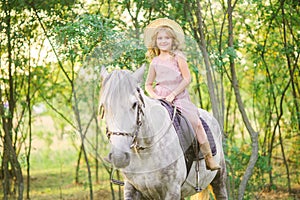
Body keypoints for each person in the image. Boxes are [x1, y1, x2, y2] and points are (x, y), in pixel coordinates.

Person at [144, 18, 221, 171]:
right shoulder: (154, 62)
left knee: (196, 123)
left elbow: (187, 78)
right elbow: (148, 84)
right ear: (155, 41)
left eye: (167, 38)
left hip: (179, 98)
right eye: (160, 38)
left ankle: (208, 158)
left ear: (173, 40)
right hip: (160, 99)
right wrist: (154, 96)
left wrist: (173, 94)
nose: (163, 41)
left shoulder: (178, 57)